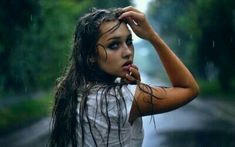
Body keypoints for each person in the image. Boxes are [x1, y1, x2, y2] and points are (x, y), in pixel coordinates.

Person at [49, 6, 199, 147]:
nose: (127, 52)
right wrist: (152, 36)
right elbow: (189, 89)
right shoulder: (121, 99)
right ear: (91, 56)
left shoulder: (76, 93)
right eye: (114, 45)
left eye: (128, 42)